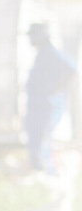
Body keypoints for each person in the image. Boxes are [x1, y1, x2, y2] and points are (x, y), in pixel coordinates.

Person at [24, 22, 76, 175]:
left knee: (41, 145)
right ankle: (40, 176)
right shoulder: (40, 54)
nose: (30, 40)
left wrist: (57, 87)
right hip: (36, 107)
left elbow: (72, 69)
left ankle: (47, 177)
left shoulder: (51, 53)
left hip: (46, 107)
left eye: (32, 36)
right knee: (35, 144)